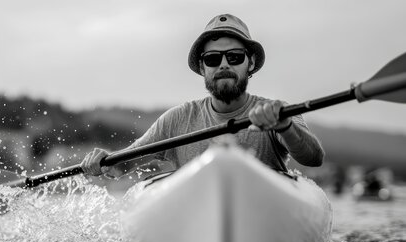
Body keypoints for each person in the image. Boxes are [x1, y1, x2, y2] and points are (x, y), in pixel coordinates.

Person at [81, 14, 324, 178]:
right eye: (213, 59)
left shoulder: (276, 111)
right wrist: (103, 161)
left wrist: (286, 127)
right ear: (202, 67)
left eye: (235, 57)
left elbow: (314, 158)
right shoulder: (176, 120)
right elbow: (124, 164)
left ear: (249, 63)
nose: (224, 65)